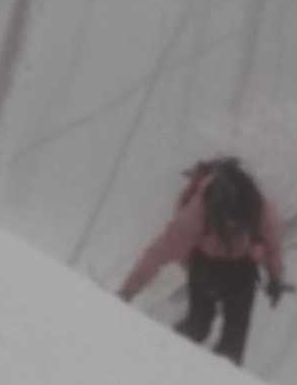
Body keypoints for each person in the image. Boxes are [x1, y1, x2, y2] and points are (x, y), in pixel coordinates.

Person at [119, 156, 287, 365]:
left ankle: (166, 359)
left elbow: (161, 250)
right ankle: (218, 375)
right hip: (242, 272)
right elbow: (273, 243)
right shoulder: (255, 202)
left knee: (197, 326)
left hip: (206, 268)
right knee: (233, 342)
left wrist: (128, 290)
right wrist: (275, 278)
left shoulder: (202, 205)